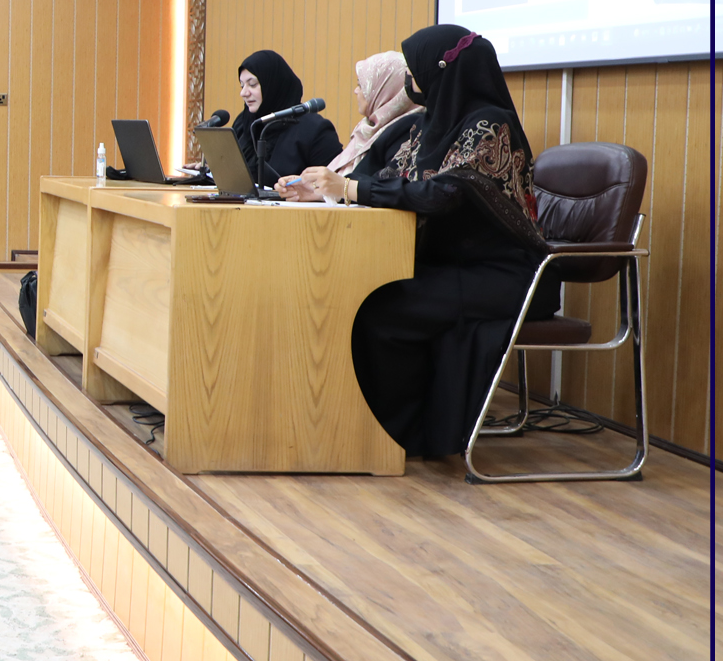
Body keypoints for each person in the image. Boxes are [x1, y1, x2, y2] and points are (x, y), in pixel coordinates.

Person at [300, 26, 550, 460]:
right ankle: (380, 431)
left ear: (442, 72)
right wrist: (323, 191)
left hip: (501, 275)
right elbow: (386, 180)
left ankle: (397, 439)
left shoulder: (490, 125)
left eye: (415, 71)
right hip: (449, 265)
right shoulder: (427, 124)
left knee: (377, 312)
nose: (409, 81)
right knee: (354, 299)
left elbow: (442, 194)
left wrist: (350, 189)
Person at [277, 52, 421, 200]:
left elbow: (386, 191)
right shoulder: (368, 128)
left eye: (361, 85)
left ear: (385, 89)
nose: (356, 91)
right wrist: (315, 188)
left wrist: (337, 188)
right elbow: (346, 184)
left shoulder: (409, 129)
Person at [232, 49, 341, 186]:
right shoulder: (244, 124)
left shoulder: (314, 130)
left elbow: (334, 185)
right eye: (242, 86)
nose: (243, 93)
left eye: (252, 84)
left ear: (273, 84)